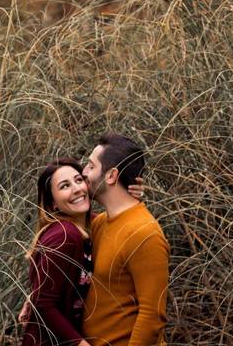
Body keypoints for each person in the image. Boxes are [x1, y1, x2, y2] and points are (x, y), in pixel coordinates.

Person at [82, 134, 169, 346]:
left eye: (91, 166)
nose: (83, 172)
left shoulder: (144, 234)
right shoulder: (100, 223)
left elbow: (152, 317)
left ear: (111, 176)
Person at [21, 158, 94, 346]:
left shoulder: (89, 225)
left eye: (79, 180)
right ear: (53, 204)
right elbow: (44, 304)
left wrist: (131, 192)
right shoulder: (65, 236)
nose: (77, 189)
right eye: (64, 186)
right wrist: (80, 344)